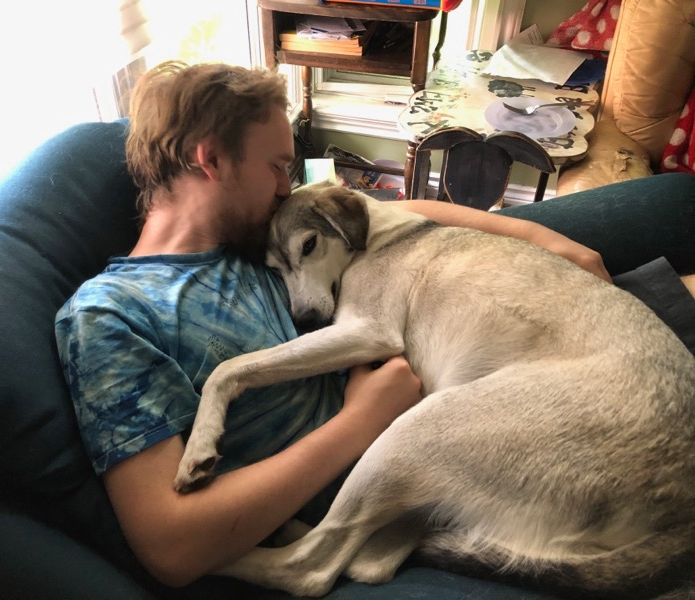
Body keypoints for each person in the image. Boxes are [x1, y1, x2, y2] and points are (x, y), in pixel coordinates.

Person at [55, 60, 695, 588]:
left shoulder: (258, 233)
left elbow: (391, 213)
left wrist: (536, 236)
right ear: (211, 160)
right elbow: (171, 546)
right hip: (417, 451)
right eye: (278, 166)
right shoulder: (111, 316)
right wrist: (360, 420)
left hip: (493, 368)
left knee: (674, 220)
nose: (289, 186)